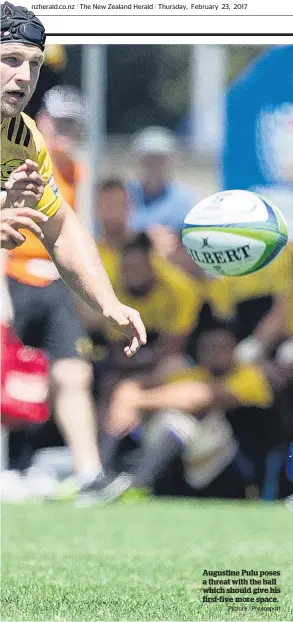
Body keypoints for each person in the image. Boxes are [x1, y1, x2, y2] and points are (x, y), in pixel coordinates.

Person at [0, 1, 146, 499]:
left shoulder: (23, 139)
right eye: (10, 59)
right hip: (12, 284)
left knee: (71, 370)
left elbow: (61, 227)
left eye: (33, 64)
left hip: (46, 286)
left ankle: (88, 474)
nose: (23, 76)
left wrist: (108, 303)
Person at [94, 322, 284, 504]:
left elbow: (204, 397)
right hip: (191, 462)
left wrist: (138, 400)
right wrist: (126, 396)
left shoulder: (251, 376)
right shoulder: (192, 374)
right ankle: (101, 474)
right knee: (161, 417)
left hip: (238, 466)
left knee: (177, 421)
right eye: (208, 348)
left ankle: (137, 484)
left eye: (221, 347)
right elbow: (136, 386)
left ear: (234, 349)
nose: (215, 354)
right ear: (199, 352)